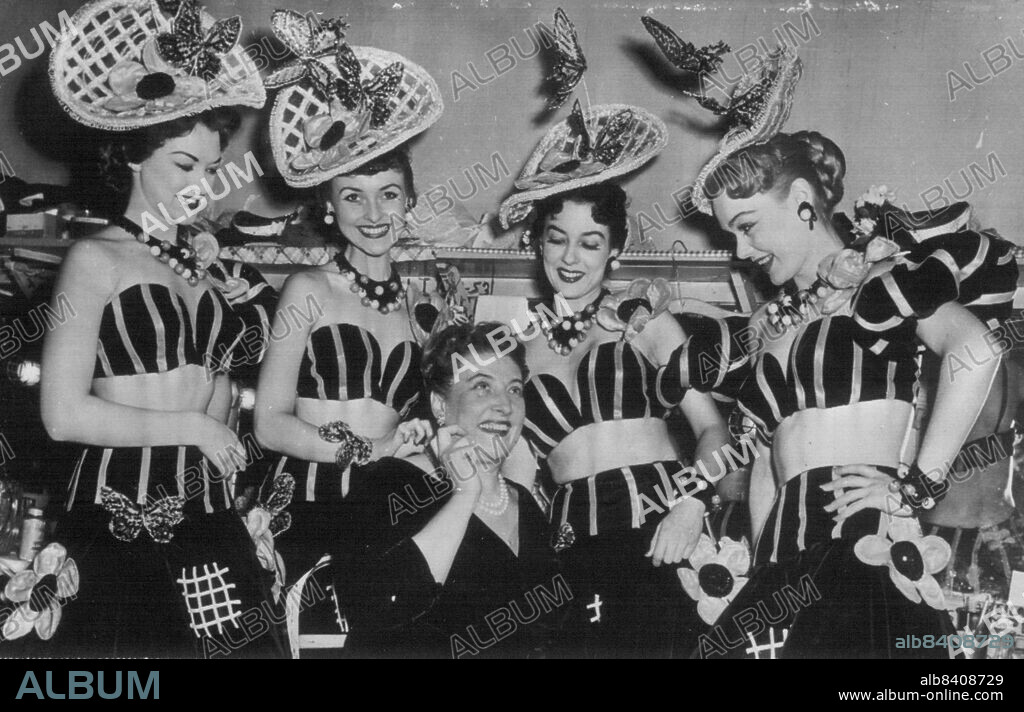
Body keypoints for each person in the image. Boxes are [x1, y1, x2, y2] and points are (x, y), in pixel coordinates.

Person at [651, 43, 1017, 658]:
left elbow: (976, 349)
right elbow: (767, 465)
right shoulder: (771, 325)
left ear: (802, 199)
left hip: (859, 544)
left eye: (747, 226)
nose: (741, 252)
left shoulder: (877, 283)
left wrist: (915, 487)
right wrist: (761, 569)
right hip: (780, 563)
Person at [38, 0, 282, 656]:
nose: (201, 187)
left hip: (208, 519)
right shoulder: (94, 260)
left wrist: (241, 292)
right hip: (117, 521)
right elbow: (61, 415)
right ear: (133, 157)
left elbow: (237, 380)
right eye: (183, 166)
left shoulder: (205, 264)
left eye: (210, 169)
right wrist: (192, 429)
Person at [497, 103, 732, 658]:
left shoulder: (646, 322)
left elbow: (712, 429)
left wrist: (692, 504)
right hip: (568, 549)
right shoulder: (516, 350)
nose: (570, 258)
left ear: (616, 251)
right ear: (537, 242)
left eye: (590, 242)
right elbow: (519, 478)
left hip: (661, 532)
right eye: (557, 238)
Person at [254, 12, 445, 606]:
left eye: (389, 195)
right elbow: (268, 422)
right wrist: (366, 450)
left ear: (409, 202)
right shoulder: (308, 289)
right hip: (306, 500)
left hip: (386, 507)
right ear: (329, 209)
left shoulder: (426, 305)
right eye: (353, 198)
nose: (374, 214)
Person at [332, 322, 565, 658]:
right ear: (440, 406)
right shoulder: (387, 483)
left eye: (515, 390)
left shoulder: (525, 503)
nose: (504, 405)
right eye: (482, 386)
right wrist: (464, 494)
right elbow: (380, 607)